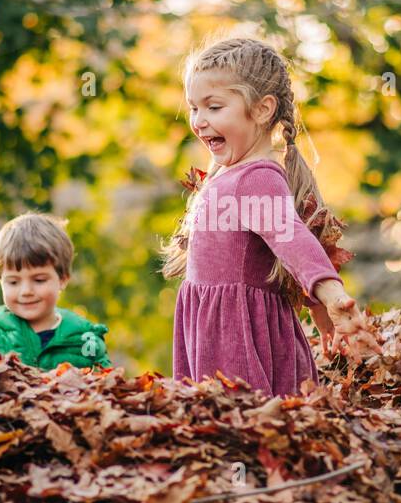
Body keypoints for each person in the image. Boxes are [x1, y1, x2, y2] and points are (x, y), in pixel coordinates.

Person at [161, 35, 380, 397]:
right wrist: (316, 306)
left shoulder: (257, 177)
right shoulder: (229, 172)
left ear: (262, 110)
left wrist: (330, 294)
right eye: (193, 108)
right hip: (216, 328)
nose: (199, 121)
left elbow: (291, 239)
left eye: (214, 108)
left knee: (250, 427)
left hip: (241, 336)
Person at [0, 212, 111, 369]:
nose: (26, 291)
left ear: (63, 279)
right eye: (13, 282)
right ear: (1, 282)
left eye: (39, 280)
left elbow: (109, 387)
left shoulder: (86, 343)